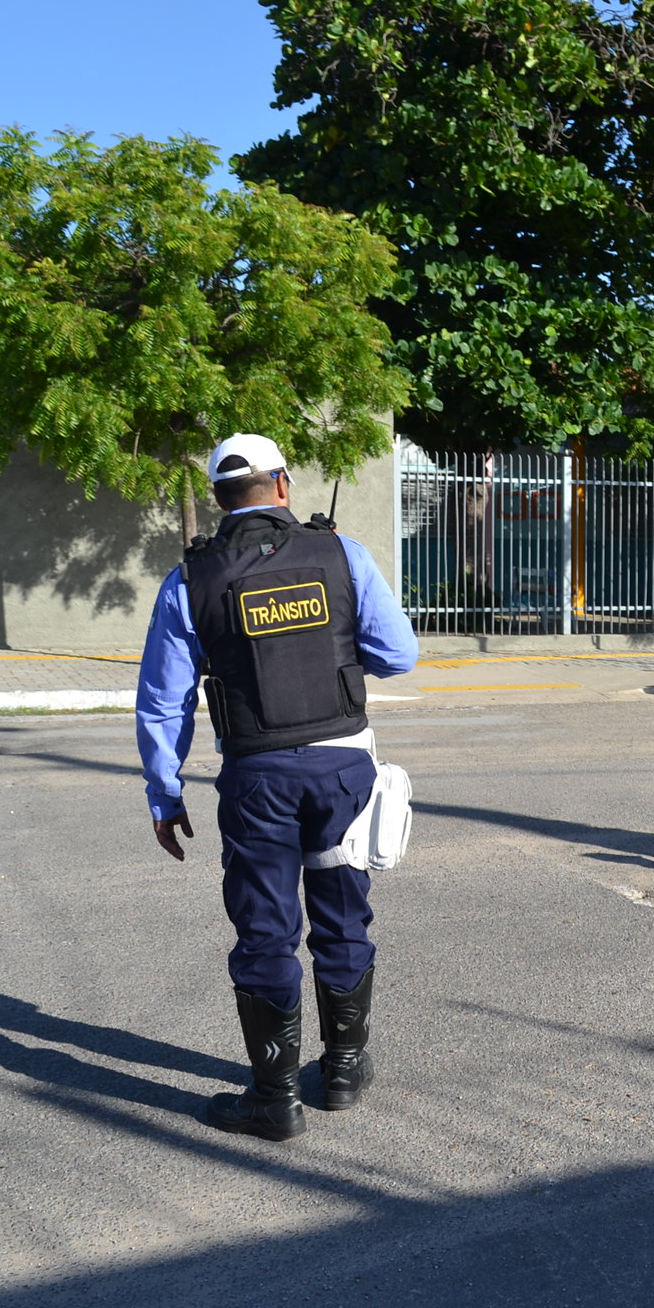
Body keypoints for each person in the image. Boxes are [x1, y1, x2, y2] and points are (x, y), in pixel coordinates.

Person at [136, 433, 420, 1141]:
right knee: (343, 915)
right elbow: (399, 655)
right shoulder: (343, 554)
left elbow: (163, 701)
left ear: (217, 498)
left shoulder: (190, 580)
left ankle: (275, 1098)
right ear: (283, 485)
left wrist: (164, 794)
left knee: (266, 928)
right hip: (344, 772)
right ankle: (346, 1069)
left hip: (257, 776)